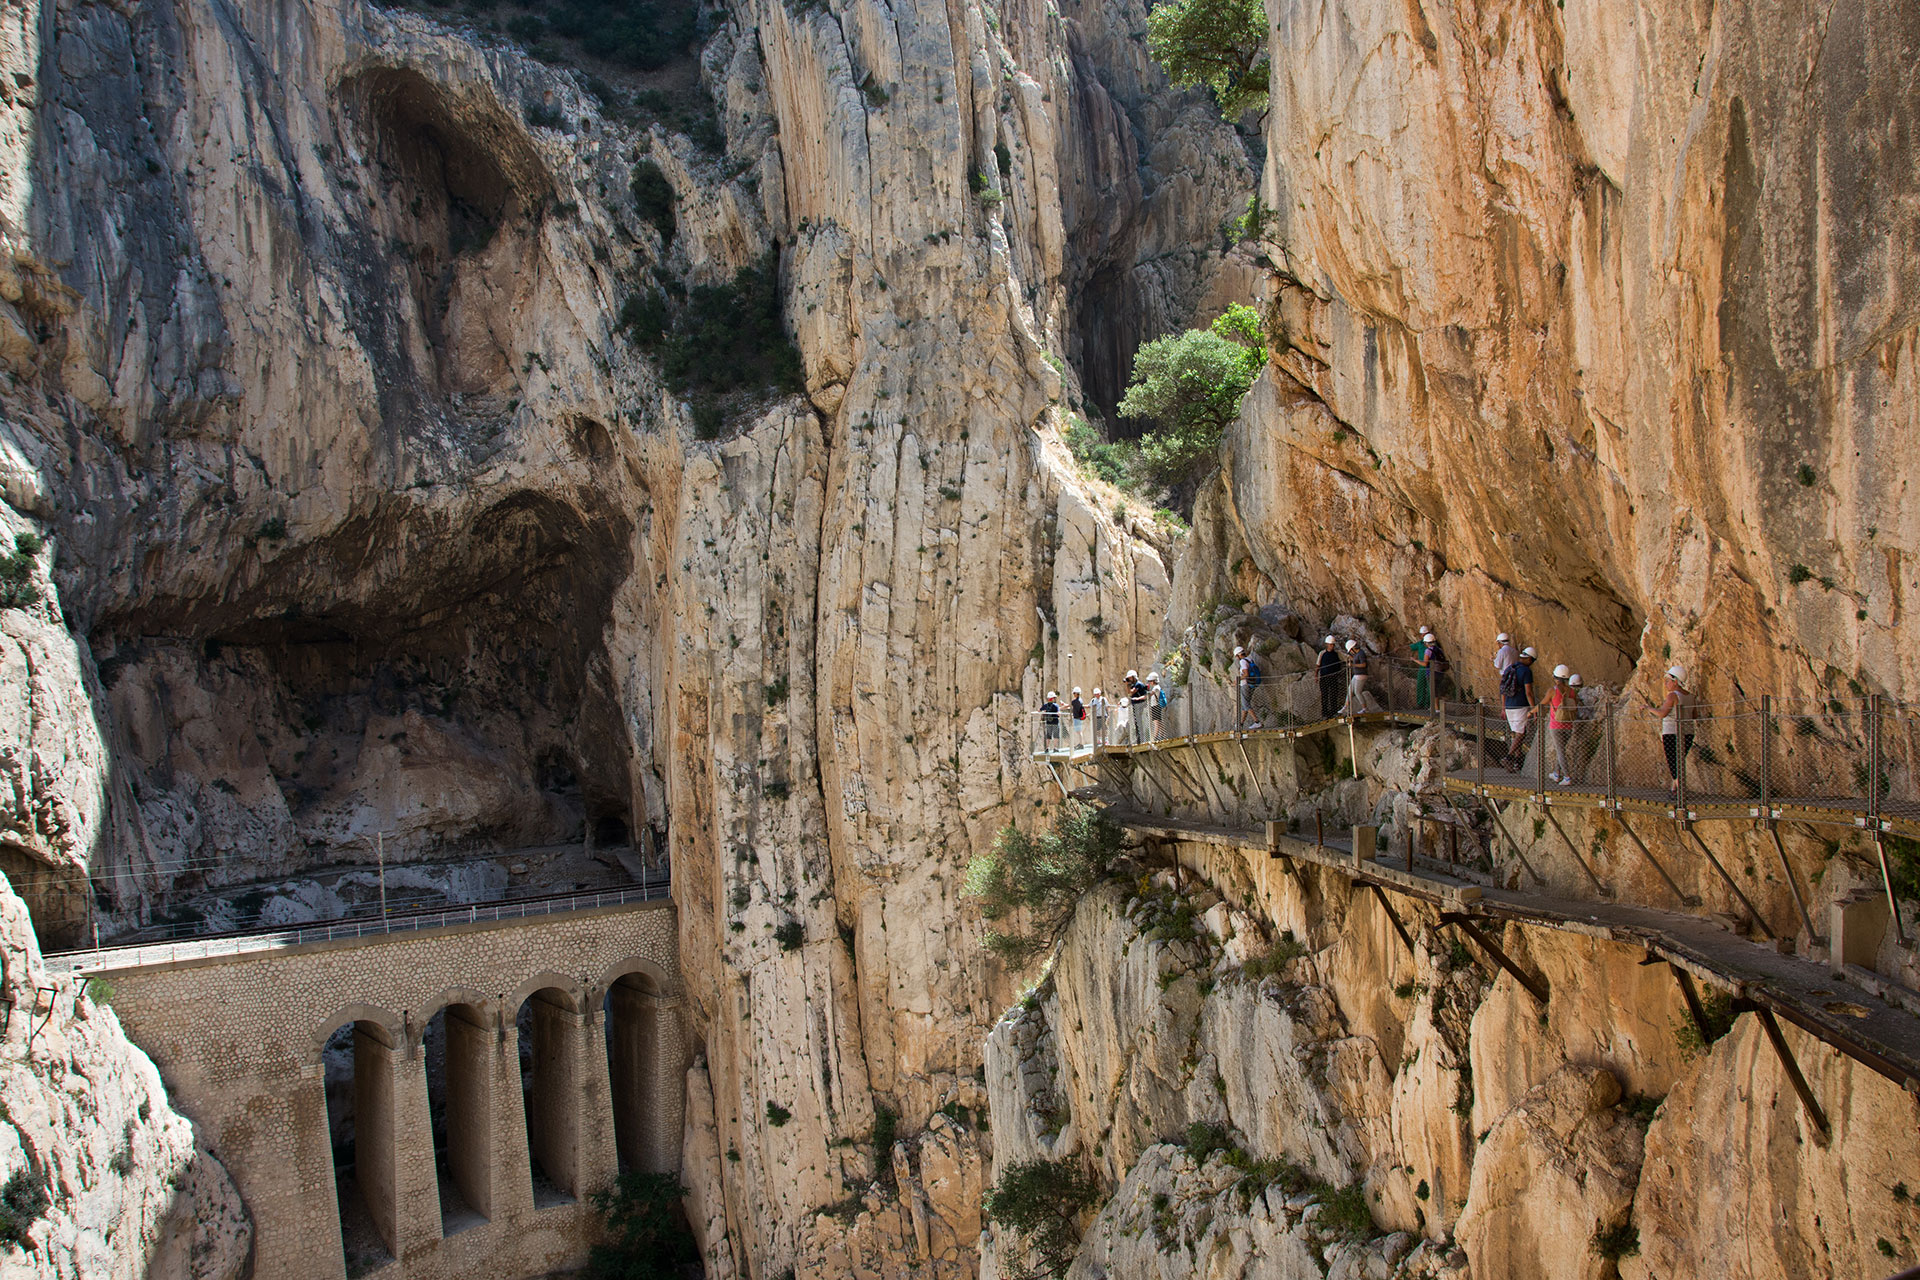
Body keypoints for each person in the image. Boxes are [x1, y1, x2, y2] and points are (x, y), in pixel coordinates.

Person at [1652, 664, 1696, 793]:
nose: (1666, 684)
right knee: (1678, 761)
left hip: (1672, 732)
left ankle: (1681, 791)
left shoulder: (1672, 696)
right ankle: (1674, 789)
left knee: (1672, 762)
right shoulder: (1691, 696)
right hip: (1688, 732)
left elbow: (1662, 713)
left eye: (1668, 681)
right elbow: (1694, 715)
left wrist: (1648, 708)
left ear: (1675, 681)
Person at [1499, 647, 1536, 771]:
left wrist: (1503, 707)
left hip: (1509, 706)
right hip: (1521, 705)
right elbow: (1528, 692)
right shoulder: (1526, 671)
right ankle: (1509, 757)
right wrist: (1533, 709)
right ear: (1529, 659)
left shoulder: (1509, 668)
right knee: (1521, 733)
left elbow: (1503, 690)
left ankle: (1517, 761)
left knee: (1516, 733)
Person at [1546, 665, 1576, 785]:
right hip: (1568, 725)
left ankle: (1567, 777)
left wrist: (1531, 712)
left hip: (1556, 725)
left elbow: (1542, 703)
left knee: (1560, 751)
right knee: (1561, 750)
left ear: (1555, 677)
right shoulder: (1572, 691)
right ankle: (1556, 774)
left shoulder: (1553, 691)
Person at [1317, 635, 1344, 719]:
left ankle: (1333, 712)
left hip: (1333, 677)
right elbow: (1318, 665)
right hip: (1324, 677)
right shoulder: (1322, 653)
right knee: (1324, 695)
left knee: (1333, 694)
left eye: (1333, 644)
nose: (1332, 646)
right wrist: (1316, 675)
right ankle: (1324, 713)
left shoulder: (1337, 654)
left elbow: (1345, 658)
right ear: (1327, 644)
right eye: (1330, 644)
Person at [1424, 631, 1452, 704]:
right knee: (1437, 690)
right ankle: (1436, 707)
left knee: (1433, 691)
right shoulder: (1439, 649)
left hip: (1432, 672)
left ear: (1426, 643)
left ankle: (1436, 708)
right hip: (1440, 672)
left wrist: (1415, 660)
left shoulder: (1428, 651)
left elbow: (1425, 663)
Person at [1343, 639, 1370, 715]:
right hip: (1357, 675)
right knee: (1350, 689)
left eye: (1350, 650)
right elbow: (1356, 660)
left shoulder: (1361, 653)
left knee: (1357, 692)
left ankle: (1365, 708)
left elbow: (1363, 664)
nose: (1351, 652)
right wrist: (1350, 658)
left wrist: (1353, 665)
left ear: (1352, 648)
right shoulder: (1358, 654)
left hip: (1361, 675)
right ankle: (1345, 707)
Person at [1129, 669, 1151, 745]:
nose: (1129, 679)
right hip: (1137, 706)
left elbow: (1131, 693)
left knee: (1141, 723)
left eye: (1130, 678)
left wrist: (1126, 685)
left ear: (1134, 677)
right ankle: (1140, 740)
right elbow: (1130, 694)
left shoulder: (1138, 684)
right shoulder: (1133, 685)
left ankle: (1143, 740)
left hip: (1140, 706)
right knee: (1138, 724)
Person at [1412, 628, 1431, 710]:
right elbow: (1411, 647)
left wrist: (1414, 660)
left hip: (1429, 668)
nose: (1423, 635)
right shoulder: (1420, 643)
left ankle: (1428, 704)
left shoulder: (1431, 646)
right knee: (1420, 685)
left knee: (1430, 686)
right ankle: (1420, 704)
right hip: (1422, 669)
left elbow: (1425, 662)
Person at [1148, 672, 1166, 743]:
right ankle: (1162, 736)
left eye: (1150, 681)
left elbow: (1150, 694)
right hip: (1156, 706)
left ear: (1153, 681)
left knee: (1156, 722)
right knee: (1159, 722)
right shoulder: (1157, 687)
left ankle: (1155, 738)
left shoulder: (1156, 688)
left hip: (1155, 706)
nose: (1149, 683)